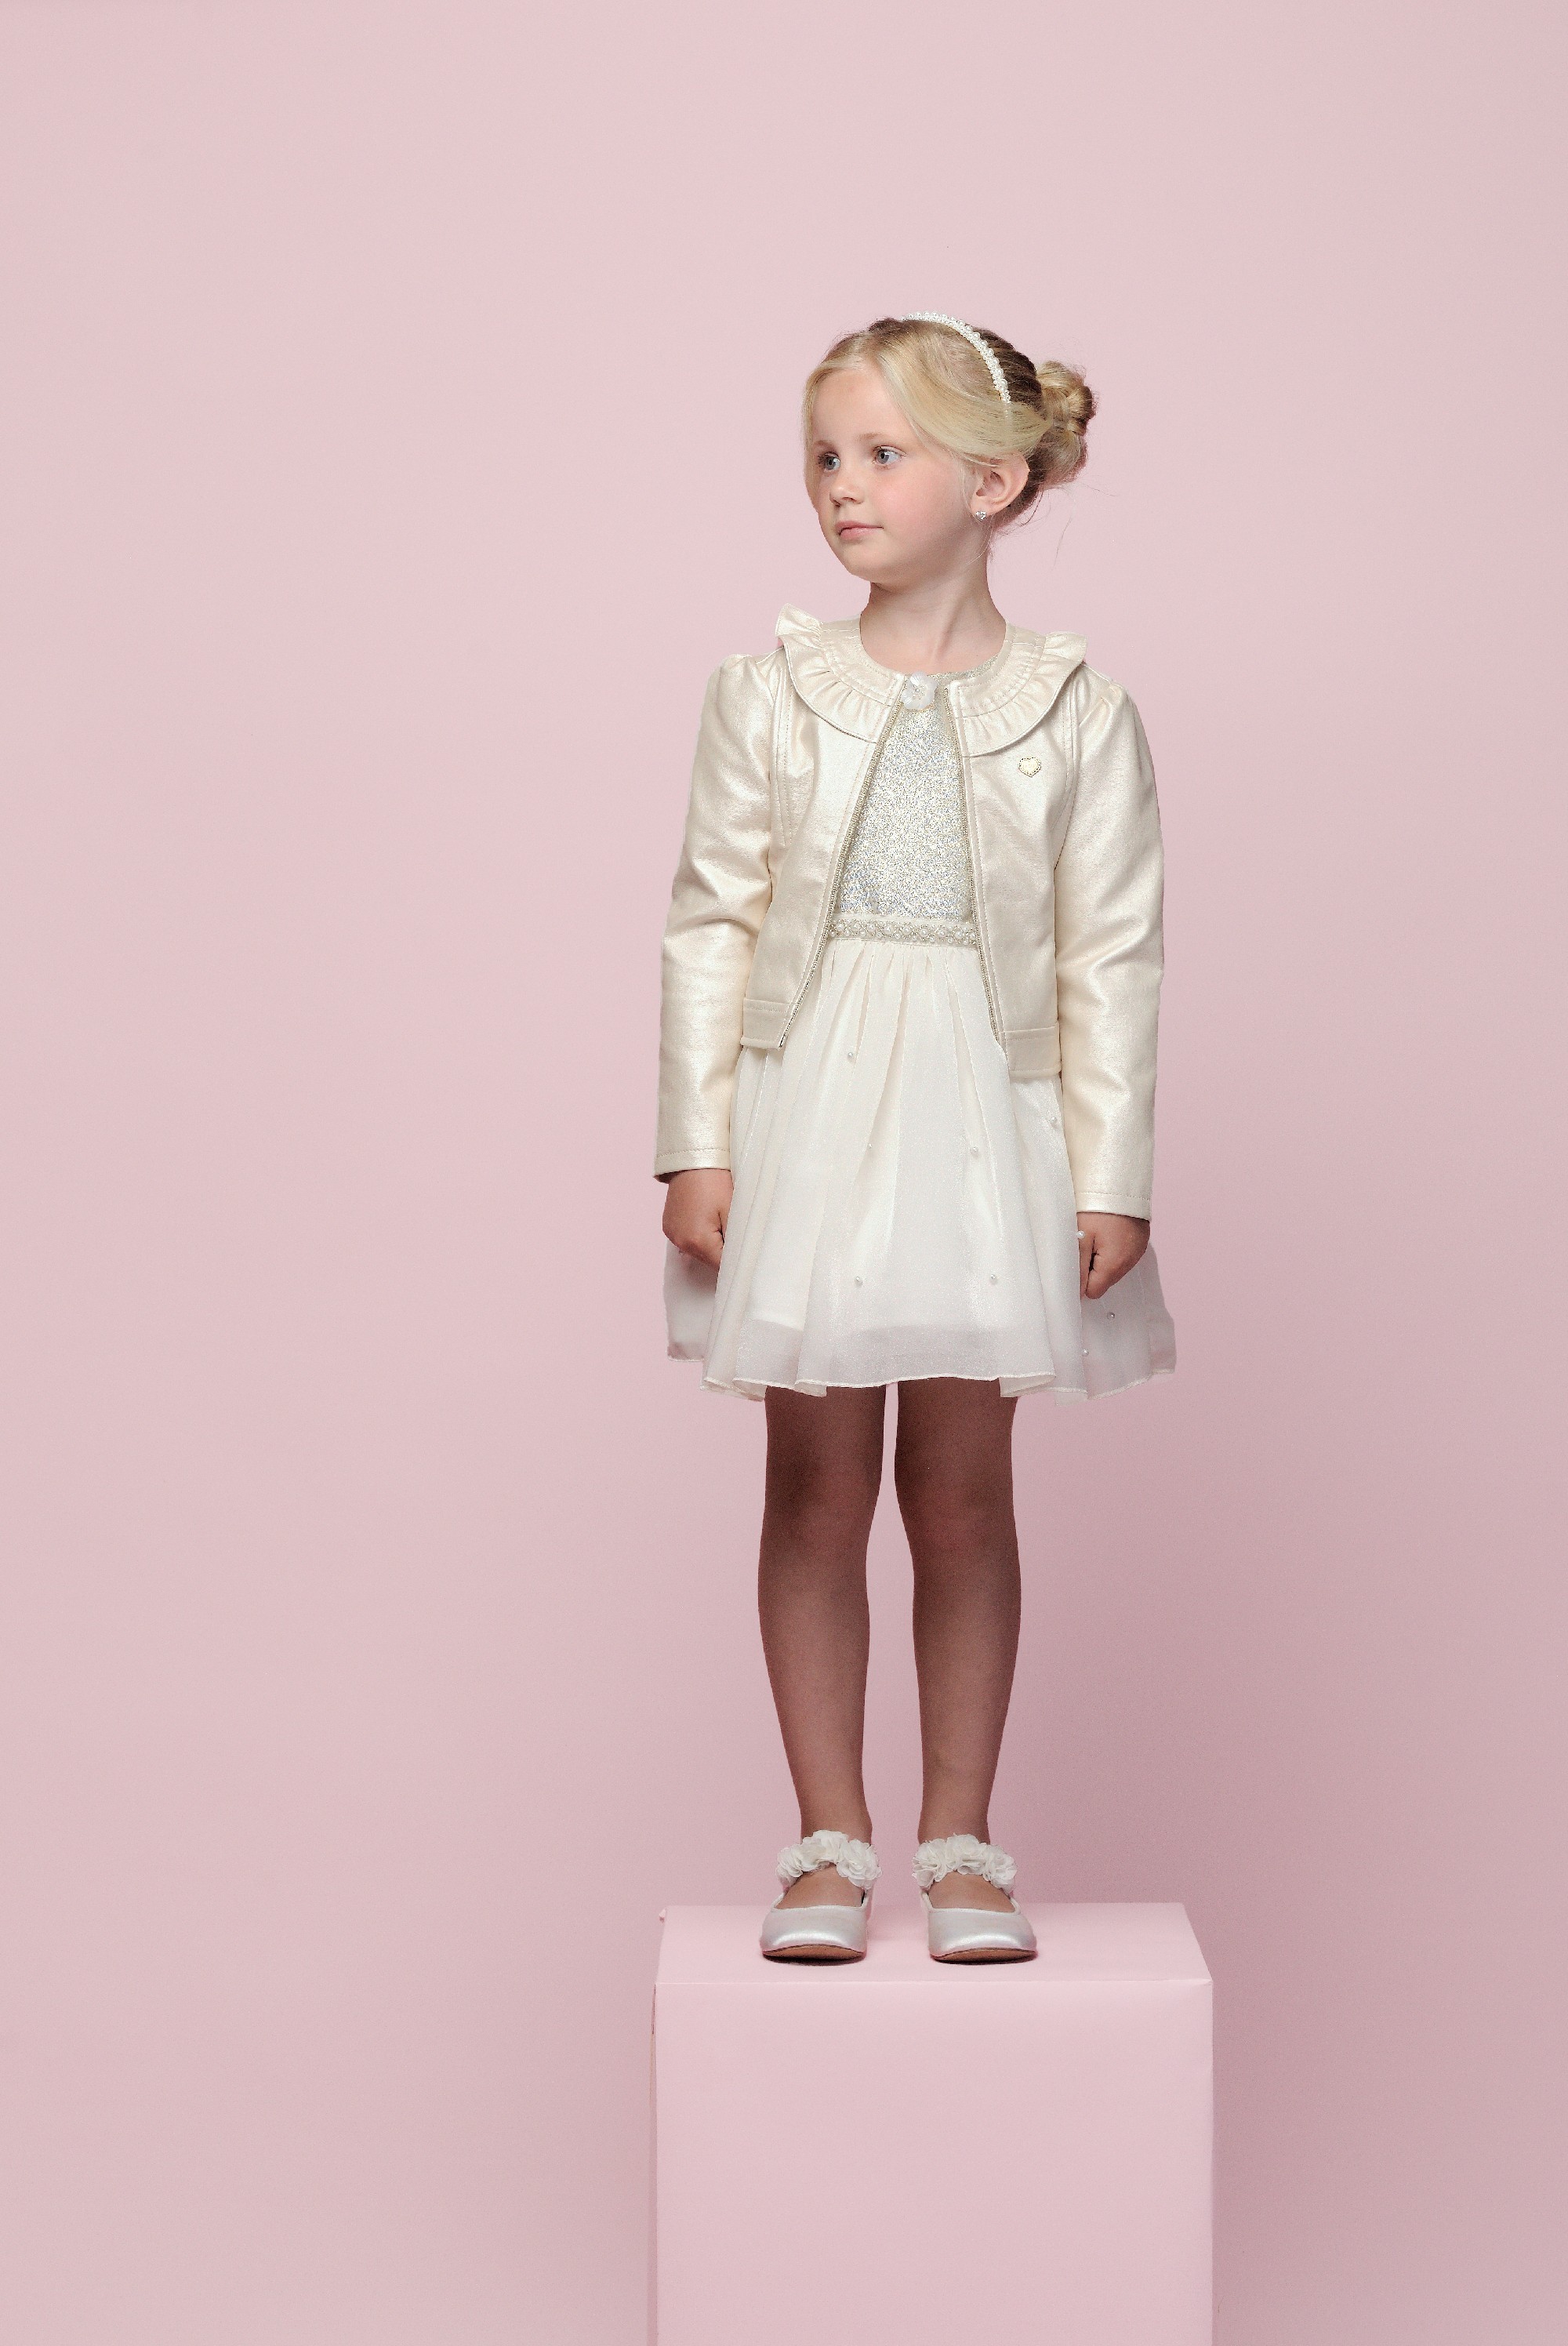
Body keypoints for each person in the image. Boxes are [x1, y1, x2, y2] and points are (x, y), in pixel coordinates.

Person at [653, 314, 1175, 1964]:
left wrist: (1110, 1171)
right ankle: (828, 1840)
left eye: (883, 453)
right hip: (810, 1110)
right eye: (825, 454)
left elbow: (1112, 954)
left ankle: (961, 1844)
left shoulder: (1076, 709)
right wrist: (696, 1143)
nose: (842, 485)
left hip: (985, 1122)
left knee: (961, 1493)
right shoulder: (766, 695)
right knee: (813, 1484)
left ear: (993, 481)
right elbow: (710, 922)